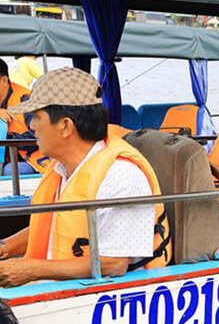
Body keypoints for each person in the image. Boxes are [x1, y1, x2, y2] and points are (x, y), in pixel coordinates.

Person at [0, 68, 171, 288]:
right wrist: (5, 247)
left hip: (99, 297)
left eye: (37, 117)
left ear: (65, 126)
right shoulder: (63, 167)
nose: (31, 126)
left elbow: (113, 264)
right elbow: (53, 224)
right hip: (54, 281)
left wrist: (31, 270)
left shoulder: (120, 176)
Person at [0, 58, 48, 176]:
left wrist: (7, 138)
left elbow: (39, 135)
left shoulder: (26, 101)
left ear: (4, 80)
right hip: (8, 158)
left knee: (10, 171)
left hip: (32, 159)